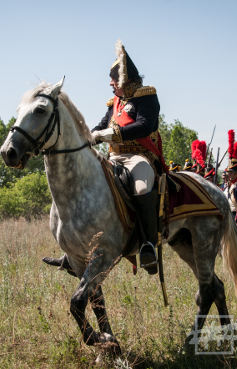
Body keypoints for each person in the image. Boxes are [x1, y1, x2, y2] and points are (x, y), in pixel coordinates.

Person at [88, 40, 165, 274]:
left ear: (124, 80)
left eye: (113, 80)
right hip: (112, 158)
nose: (110, 84)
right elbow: (100, 126)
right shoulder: (114, 103)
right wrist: (88, 136)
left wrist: (110, 133)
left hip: (137, 157)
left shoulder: (146, 97)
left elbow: (144, 126)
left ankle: (147, 245)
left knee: (142, 188)